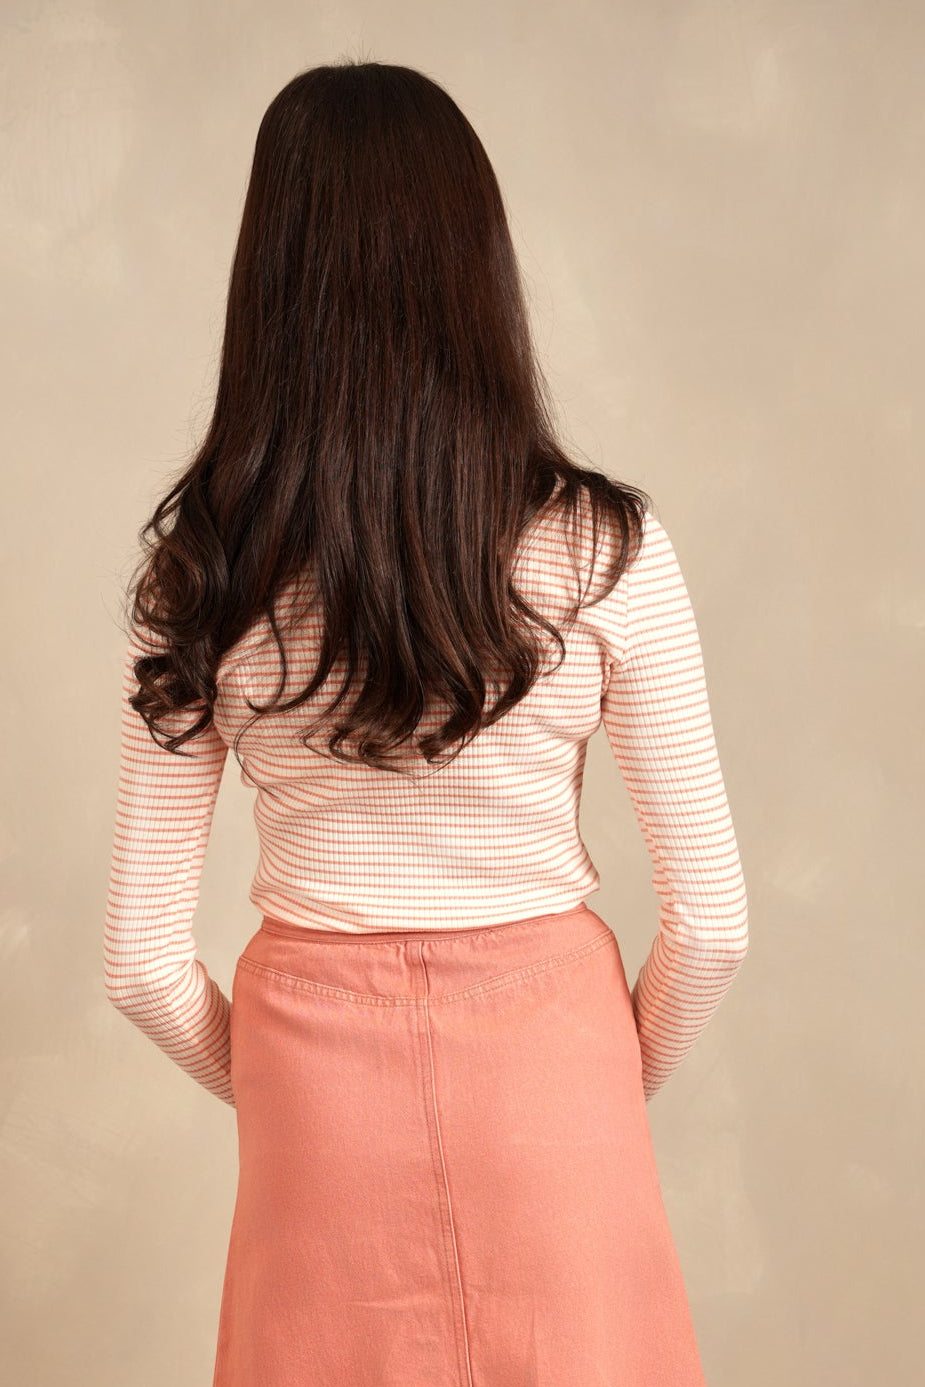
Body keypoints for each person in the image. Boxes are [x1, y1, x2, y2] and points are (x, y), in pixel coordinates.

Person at [103, 59, 748, 1387]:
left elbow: (141, 965)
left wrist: (278, 1086)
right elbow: (714, 924)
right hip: (557, 1062)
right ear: (477, 267)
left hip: (311, 1084)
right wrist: (594, 1087)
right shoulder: (604, 547)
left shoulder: (202, 568)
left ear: (268, 280)